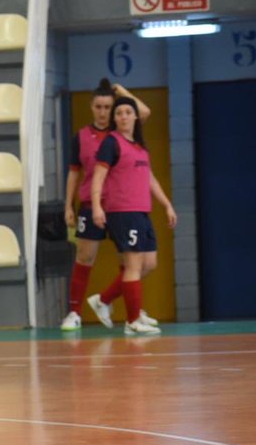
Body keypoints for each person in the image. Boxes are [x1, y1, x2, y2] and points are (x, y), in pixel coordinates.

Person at [62, 80, 155, 331]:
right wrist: (68, 206)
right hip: (89, 205)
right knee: (85, 257)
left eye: (107, 107)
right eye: (98, 107)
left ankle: (128, 311)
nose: (103, 112)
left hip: (119, 207)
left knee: (131, 262)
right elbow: (73, 173)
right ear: (91, 108)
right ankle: (74, 312)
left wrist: (122, 91)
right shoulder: (81, 137)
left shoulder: (122, 132)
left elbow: (143, 112)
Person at [87, 96, 176, 336]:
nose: (123, 116)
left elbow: (149, 177)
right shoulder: (111, 143)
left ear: (135, 117)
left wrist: (166, 204)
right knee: (134, 266)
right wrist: (97, 206)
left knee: (149, 264)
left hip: (141, 211)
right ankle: (133, 320)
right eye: (119, 113)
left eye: (128, 112)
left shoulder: (138, 146)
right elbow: (98, 176)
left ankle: (104, 300)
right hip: (122, 212)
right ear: (115, 119)